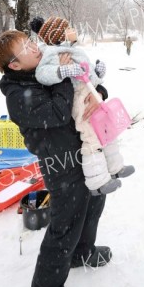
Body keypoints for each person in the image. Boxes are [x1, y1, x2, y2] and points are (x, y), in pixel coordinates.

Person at [0, 30, 111, 287]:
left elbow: (85, 89)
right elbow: (57, 112)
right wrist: (65, 76)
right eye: (27, 48)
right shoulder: (18, 94)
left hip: (85, 150)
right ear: (15, 65)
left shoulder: (46, 64)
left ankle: (82, 252)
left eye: (31, 41)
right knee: (65, 223)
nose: (35, 47)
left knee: (94, 203)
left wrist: (97, 96)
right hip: (59, 162)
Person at [30, 16, 134, 195]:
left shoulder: (73, 49)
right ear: (60, 35)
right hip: (79, 99)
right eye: (68, 27)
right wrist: (62, 71)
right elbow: (42, 74)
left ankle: (116, 167)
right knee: (91, 136)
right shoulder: (51, 53)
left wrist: (98, 74)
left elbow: (87, 71)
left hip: (91, 92)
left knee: (108, 131)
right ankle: (98, 182)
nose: (73, 30)